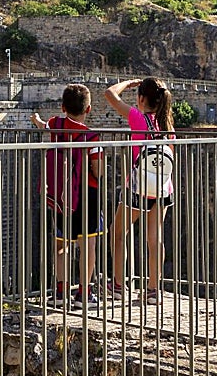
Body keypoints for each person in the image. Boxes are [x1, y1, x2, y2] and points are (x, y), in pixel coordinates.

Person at [102, 77, 176, 306]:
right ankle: (153, 290)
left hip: (138, 186)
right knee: (156, 239)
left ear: (141, 98)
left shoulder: (137, 117)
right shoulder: (167, 126)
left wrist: (128, 83)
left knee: (118, 231)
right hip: (163, 187)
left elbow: (109, 93)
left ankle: (116, 285)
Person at [31, 84, 103, 308]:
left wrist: (37, 122)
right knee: (88, 244)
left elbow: (46, 126)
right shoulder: (91, 137)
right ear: (88, 109)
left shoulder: (55, 124)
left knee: (61, 244)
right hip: (86, 194)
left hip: (61, 196)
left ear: (62, 107)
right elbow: (97, 171)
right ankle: (84, 293)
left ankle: (60, 293)